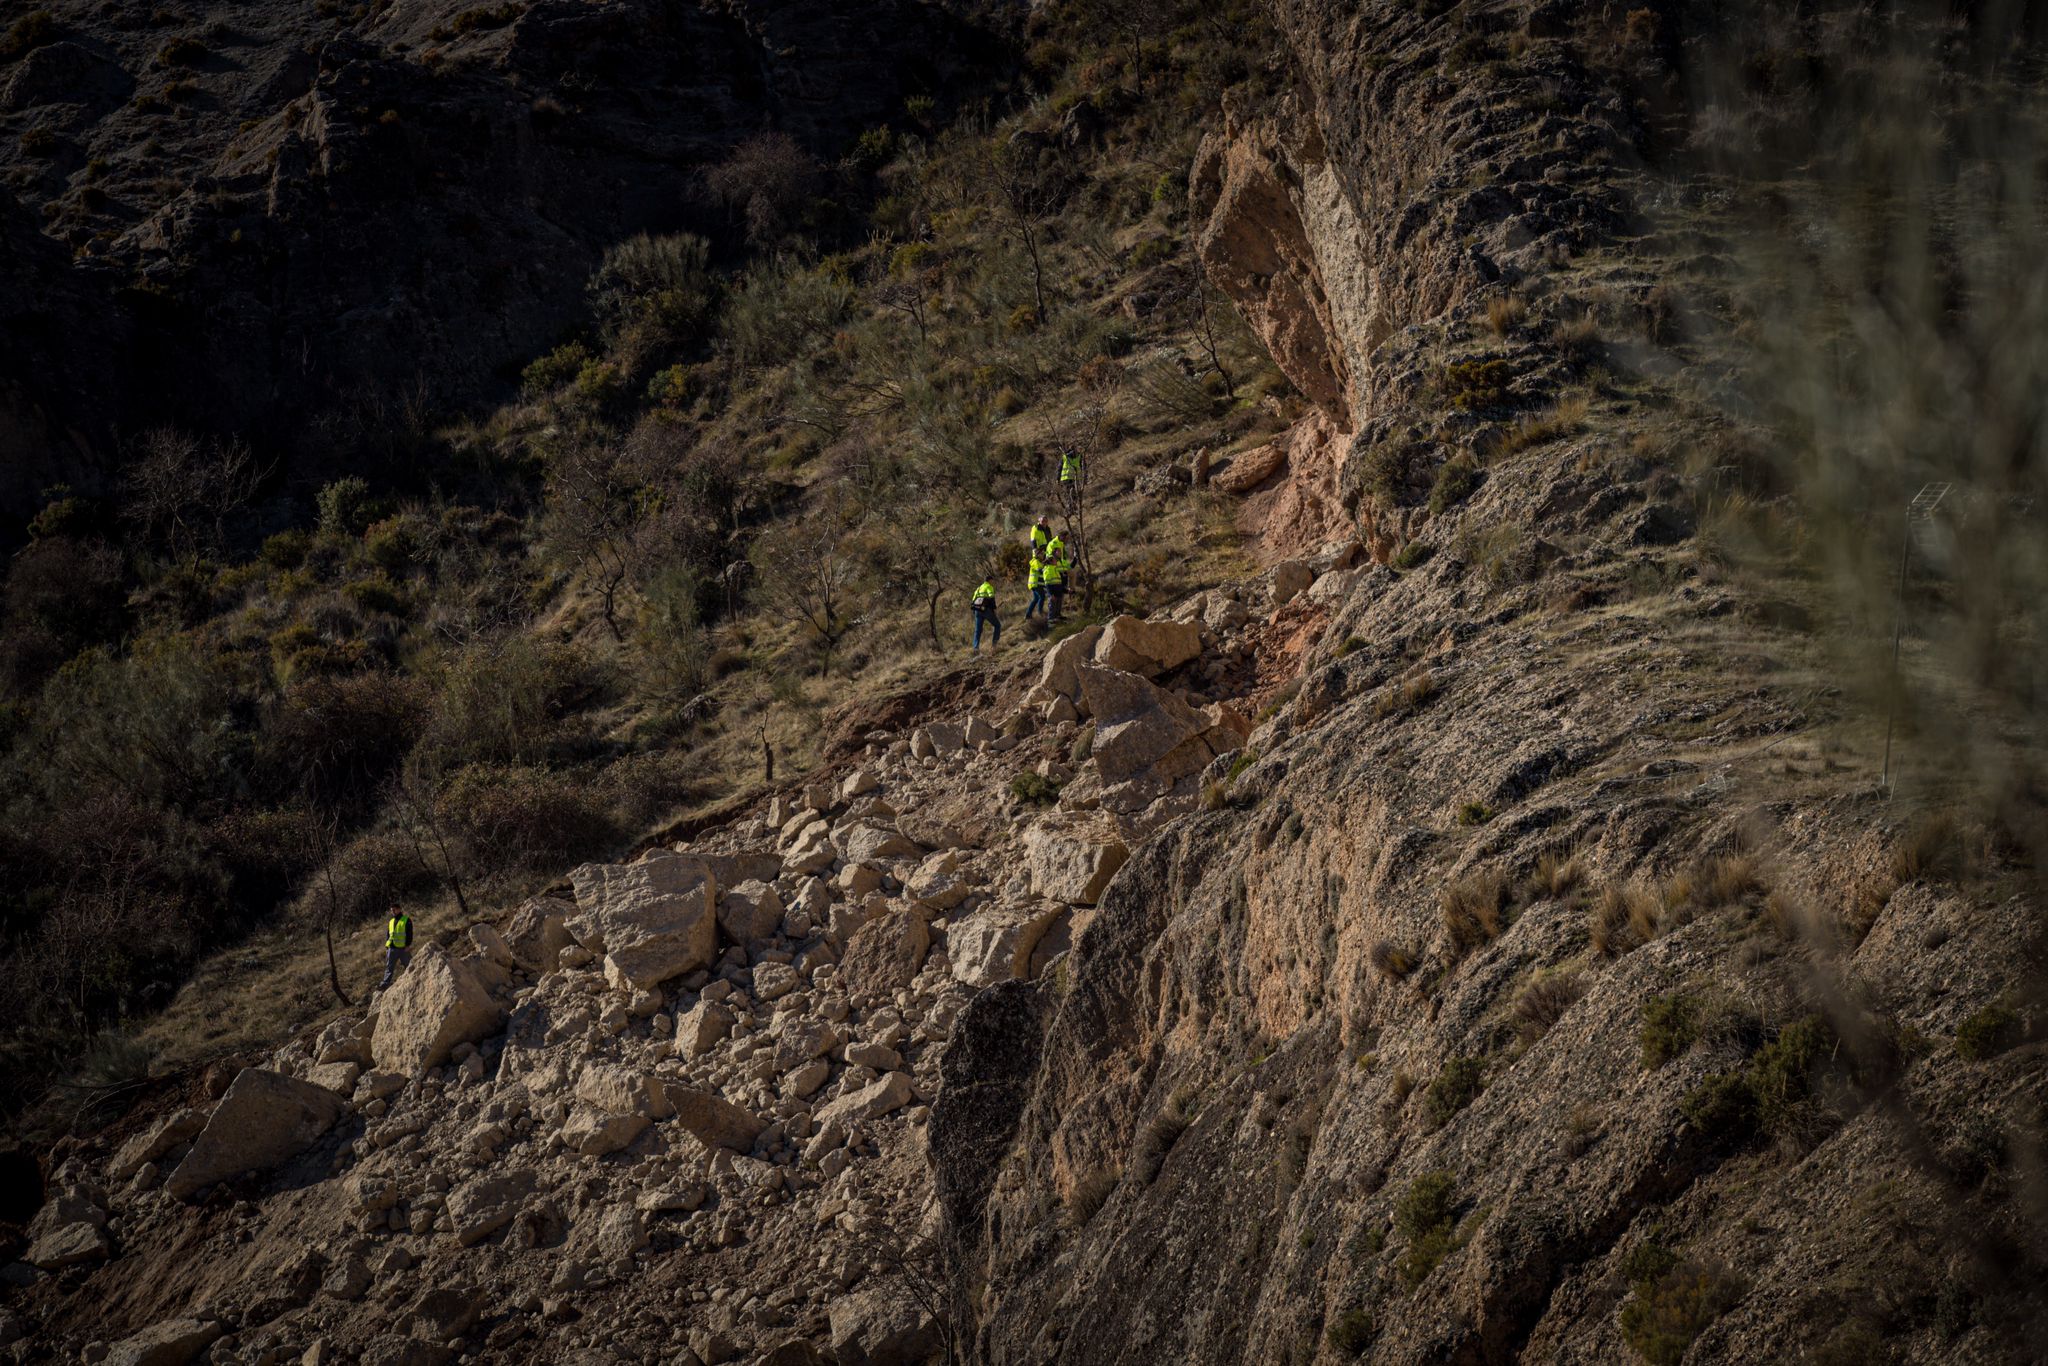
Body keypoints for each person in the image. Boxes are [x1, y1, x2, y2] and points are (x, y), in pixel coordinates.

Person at [380, 907, 414, 989]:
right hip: (391, 949)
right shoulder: (391, 921)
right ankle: (384, 984)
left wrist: (408, 945)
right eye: (391, 910)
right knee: (389, 968)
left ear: (399, 909)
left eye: (394, 910)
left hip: (403, 949)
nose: (393, 912)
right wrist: (387, 946)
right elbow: (388, 934)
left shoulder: (406, 920)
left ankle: (413, 979)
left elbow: (409, 934)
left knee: (409, 965)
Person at [970, 576, 1001, 652]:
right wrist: (993, 609)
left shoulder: (979, 588)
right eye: (992, 581)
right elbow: (991, 598)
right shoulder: (989, 587)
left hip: (977, 611)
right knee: (997, 625)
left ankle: (975, 647)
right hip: (986, 610)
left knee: (978, 630)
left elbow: (973, 600)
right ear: (990, 580)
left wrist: (975, 611)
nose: (993, 582)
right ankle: (994, 646)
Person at [1042, 543, 1067, 623]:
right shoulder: (1048, 570)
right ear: (1051, 561)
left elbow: (1058, 581)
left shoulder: (1055, 569)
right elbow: (1047, 583)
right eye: (1055, 560)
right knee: (1052, 605)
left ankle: (1057, 616)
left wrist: (1065, 590)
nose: (1056, 561)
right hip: (1053, 591)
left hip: (1058, 589)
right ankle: (1051, 620)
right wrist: (1050, 594)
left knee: (1058, 604)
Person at [1026, 551, 1046, 620]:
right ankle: (1040, 612)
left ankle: (1028, 614)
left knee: (1036, 599)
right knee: (1042, 597)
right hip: (1035, 583)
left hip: (1036, 584)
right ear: (1037, 554)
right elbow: (1040, 570)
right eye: (1041, 553)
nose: (1043, 555)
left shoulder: (1039, 562)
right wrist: (1046, 565)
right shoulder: (1035, 561)